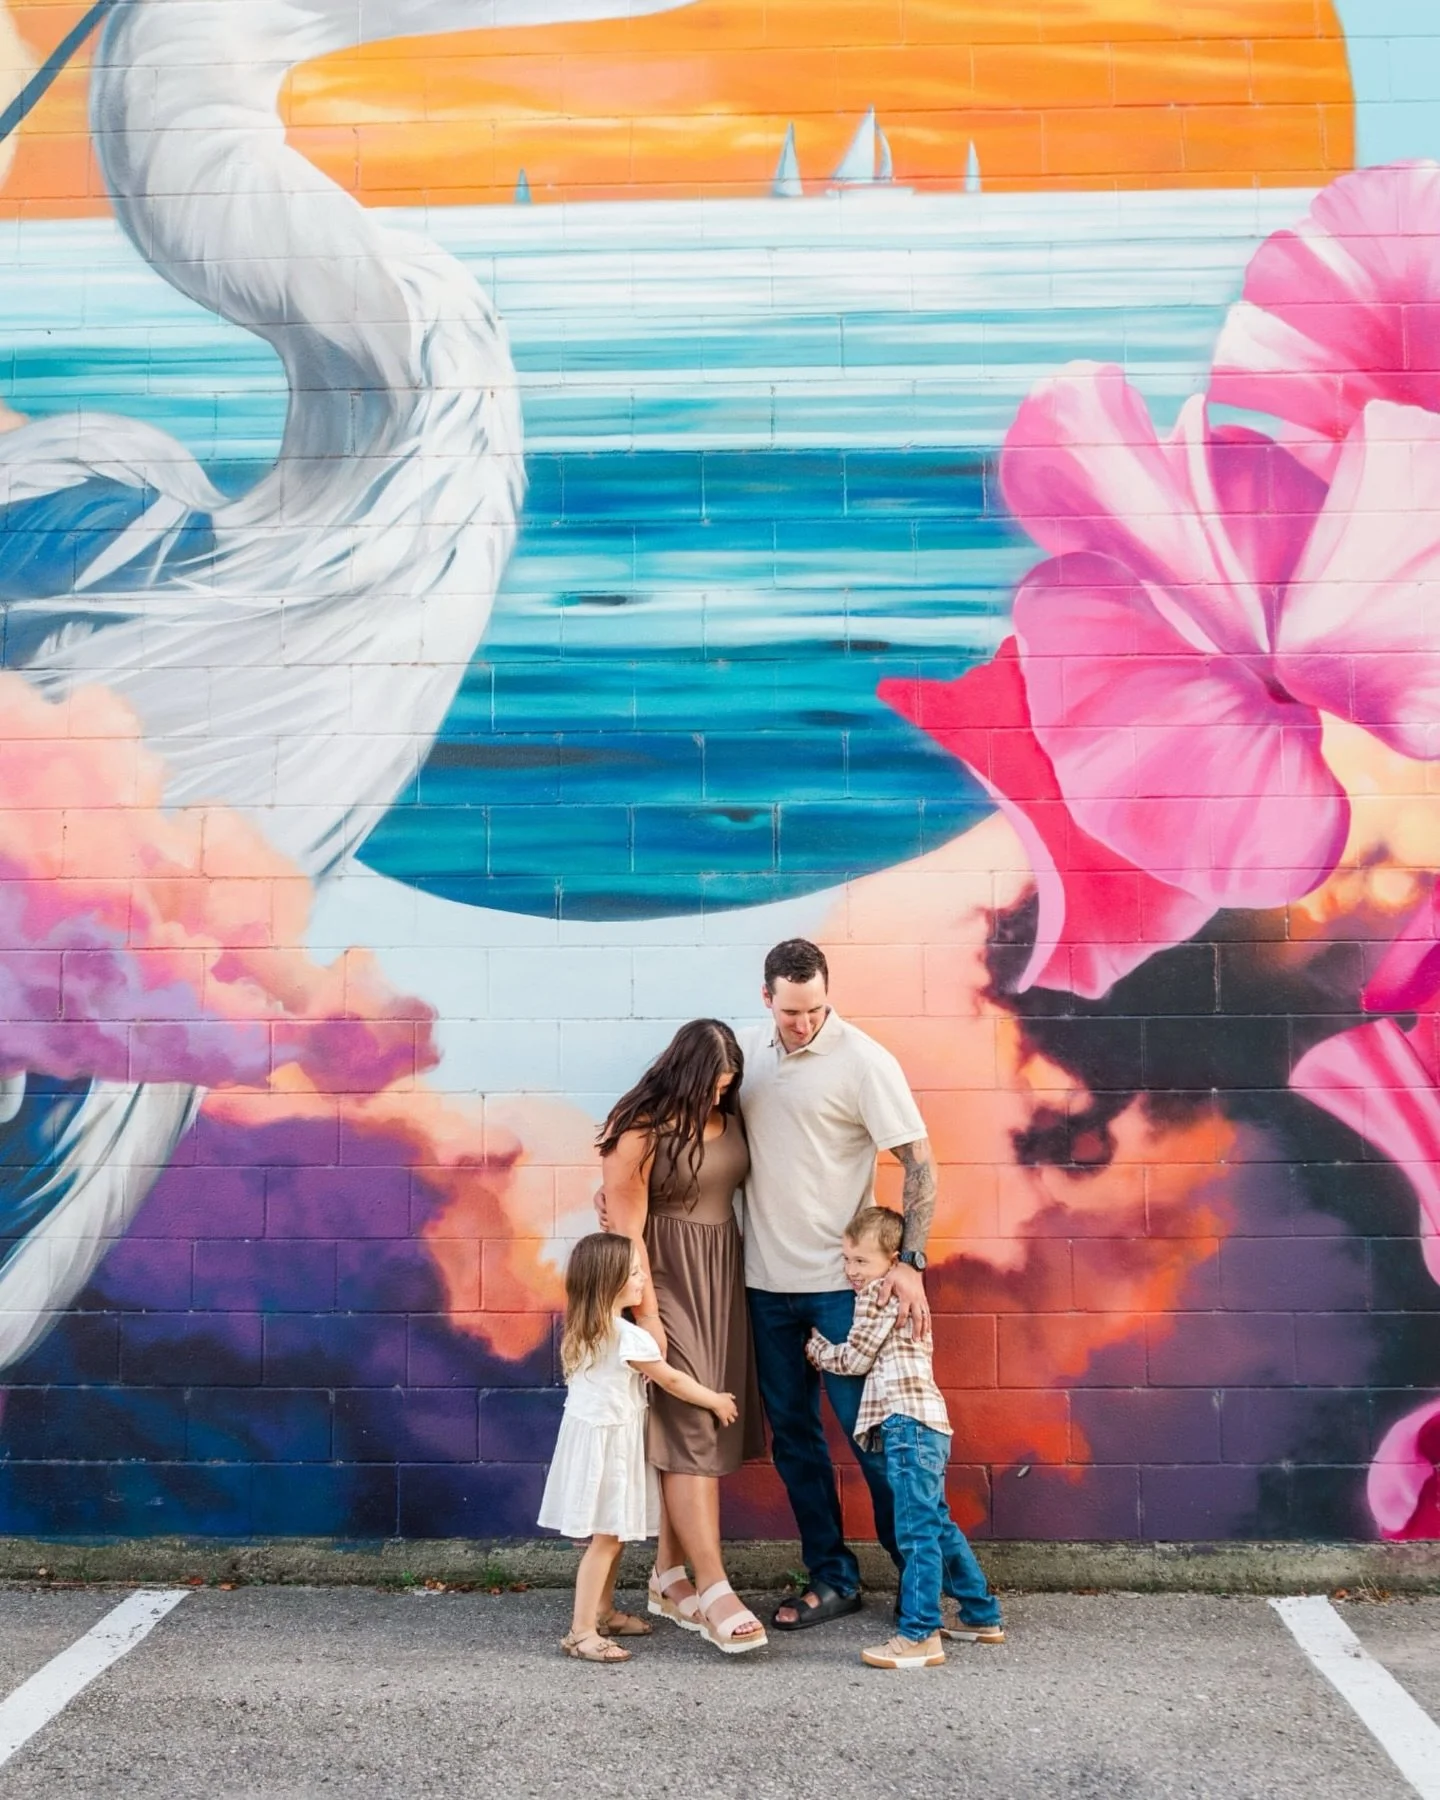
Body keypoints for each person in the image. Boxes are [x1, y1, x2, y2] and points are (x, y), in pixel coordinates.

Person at [739, 937, 939, 1631]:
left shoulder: (862, 1059)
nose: (805, 1024)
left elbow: (919, 1161)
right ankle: (833, 1577)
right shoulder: (745, 1058)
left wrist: (911, 1262)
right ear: (767, 999)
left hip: (840, 1289)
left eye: (816, 1009)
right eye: (792, 1012)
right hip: (763, 1286)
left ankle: (920, 1581)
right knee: (795, 1441)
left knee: (872, 1439)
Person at [596, 1020, 768, 1654]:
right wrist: (648, 1316)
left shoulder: (731, 1114)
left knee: (695, 1429)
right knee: (691, 1420)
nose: (719, 1096)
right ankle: (715, 1586)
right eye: (711, 1084)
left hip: (723, 1273)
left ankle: (669, 1580)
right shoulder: (640, 1132)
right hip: (665, 1275)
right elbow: (625, 1230)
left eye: (728, 1085)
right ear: (685, 1074)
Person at [807, 1206, 1004, 1668]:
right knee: (937, 1525)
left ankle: (919, 1635)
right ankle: (980, 1614)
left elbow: (854, 1360)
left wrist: (817, 1347)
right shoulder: (900, 1290)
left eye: (862, 1261)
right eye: (847, 1260)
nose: (852, 1272)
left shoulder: (881, 1294)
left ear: (893, 1260)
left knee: (915, 1533)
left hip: (906, 1425)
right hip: (928, 1425)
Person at [538, 1231, 739, 1663]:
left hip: (594, 1444)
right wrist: (716, 1400)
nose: (642, 1280)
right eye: (633, 1274)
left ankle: (604, 1612)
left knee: (612, 1536)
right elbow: (671, 1379)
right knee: (607, 1540)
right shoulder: (629, 1338)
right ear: (608, 1283)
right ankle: (582, 1631)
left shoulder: (582, 1331)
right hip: (610, 1449)